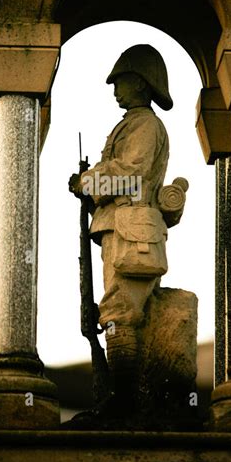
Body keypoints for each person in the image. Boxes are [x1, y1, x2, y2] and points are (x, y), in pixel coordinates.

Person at [69, 44, 173, 414]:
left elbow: (131, 176)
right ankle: (122, 397)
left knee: (120, 312)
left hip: (132, 229)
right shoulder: (133, 123)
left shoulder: (145, 124)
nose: (116, 90)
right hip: (123, 226)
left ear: (143, 85)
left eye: (123, 82)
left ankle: (125, 403)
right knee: (116, 311)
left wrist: (89, 182)